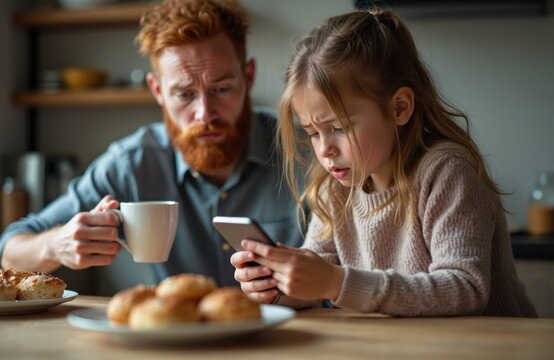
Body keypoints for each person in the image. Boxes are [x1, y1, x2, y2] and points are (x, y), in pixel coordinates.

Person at [231, 8, 537, 317]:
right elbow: (315, 287)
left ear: (400, 108)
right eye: (312, 132)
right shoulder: (334, 188)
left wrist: (336, 282)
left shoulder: (447, 173)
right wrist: (277, 287)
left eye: (339, 128)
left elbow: (465, 287)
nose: (325, 150)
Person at [0, 0, 302, 287]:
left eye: (221, 88)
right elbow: (10, 248)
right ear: (157, 90)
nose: (204, 113)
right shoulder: (132, 162)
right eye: (184, 94)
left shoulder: (306, 151)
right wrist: (56, 246)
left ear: (248, 77)